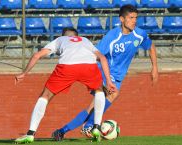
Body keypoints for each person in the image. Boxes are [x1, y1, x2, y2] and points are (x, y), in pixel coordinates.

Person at [52, 4, 159, 141]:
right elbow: (97, 55)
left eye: (135, 18)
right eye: (131, 18)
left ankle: (62, 131)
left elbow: (150, 47)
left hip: (117, 77)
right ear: (122, 19)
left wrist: (154, 67)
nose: (134, 21)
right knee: (112, 94)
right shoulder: (112, 36)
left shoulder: (139, 34)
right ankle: (89, 125)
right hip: (103, 71)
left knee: (94, 107)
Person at [14, 27, 116, 143]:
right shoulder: (85, 40)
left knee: (45, 96)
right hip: (89, 66)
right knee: (99, 91)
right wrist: (108, 81)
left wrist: (24, 73)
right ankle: (96, 127)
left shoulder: (59, 40)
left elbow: (37, 55)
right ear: (76, 35)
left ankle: (30, 134)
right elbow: (102, 58)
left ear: (63, 35)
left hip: (67, 67)